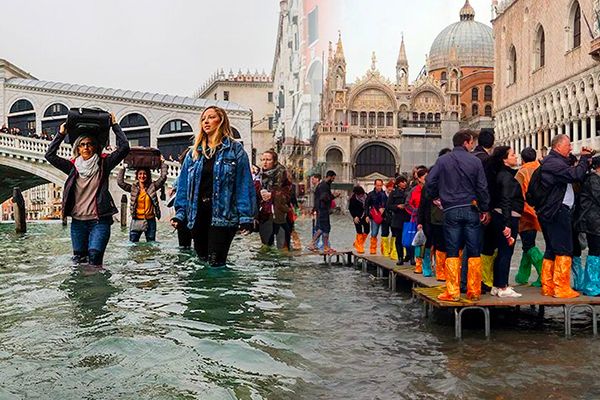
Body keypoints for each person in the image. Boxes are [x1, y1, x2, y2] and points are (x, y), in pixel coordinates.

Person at [171, 106, 256, 267]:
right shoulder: (193, 153)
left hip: (223, 216)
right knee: (202, 261)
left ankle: (221, 291)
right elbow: (183, 186)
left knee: (216, 263)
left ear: (221, 120)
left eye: (211, 117)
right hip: (197, 216)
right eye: (203, 119)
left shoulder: (235, 150)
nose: (206, 122)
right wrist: (180, 214)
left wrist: (246, 217)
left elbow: (243, 184)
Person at [45, 114, 130, 266]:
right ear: (77, 148)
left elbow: (124, 148)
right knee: (79, 262)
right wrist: (61, 134)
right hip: (78, 223)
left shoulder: (104, 164)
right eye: (82, 144)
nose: (86, 147)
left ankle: (97, 288)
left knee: (95, 258)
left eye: (90, 144)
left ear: (95, 147)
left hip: (99, 221)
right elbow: (49, 155)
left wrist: (115, 126)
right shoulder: (72, 167)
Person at [427, 129, 490, 301]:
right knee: (474, 249)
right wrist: (484, 209)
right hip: (471, 209)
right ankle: (473, 290)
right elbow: (482, 188)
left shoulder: (442, 161)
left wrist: (435, 198)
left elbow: (430, 182)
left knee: (453, 250)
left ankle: (453, 291)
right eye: (471, 142)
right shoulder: (475, 161)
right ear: (466, 142)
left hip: (450, 210)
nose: (473, 145)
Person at [536, 135, 592, 298]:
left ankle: (548, 285)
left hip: (554, 210)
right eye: (568, 145)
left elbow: (573, 170)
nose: (570, 148)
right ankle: (561, 287)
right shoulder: (553, 162)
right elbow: (575, 175)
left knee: (552, 249)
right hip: (557, 210)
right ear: (558, 146)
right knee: (564, 249)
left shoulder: (553, 161)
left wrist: (583, 161)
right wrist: (583, 159)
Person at [485, 146, 524, 298]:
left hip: (498, 215)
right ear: (504, 159)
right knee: (506, 252)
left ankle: (497, 284)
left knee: (500, 251)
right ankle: (502, 286)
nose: (516, 157)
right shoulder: (506, 176)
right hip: (507, 216)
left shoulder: (498, 174)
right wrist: (507, 223)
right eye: (513, 154)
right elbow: (506, 200)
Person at [117, 160, 168, 242]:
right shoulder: (133, 188)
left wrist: (163, 163)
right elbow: (120, 182)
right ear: (137, 176)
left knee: (151, 245)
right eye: (140, 174)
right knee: (133, 245)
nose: (142, 176)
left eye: (144, 174)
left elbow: (163, 178)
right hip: (136, 220)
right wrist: (123, 167)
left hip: (150, 221)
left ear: (148, 176)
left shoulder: (152, 187)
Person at [514, 147, 543, 287]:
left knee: (529, 244)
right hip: (541, 210)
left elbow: (518, 194)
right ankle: (522, 275)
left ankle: (543, 272)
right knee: (528, 243)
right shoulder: (542, 168)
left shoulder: (521, 172)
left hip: (526, 212)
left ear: (523, 159)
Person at [257, 150, 292, 250]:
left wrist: (271, 195)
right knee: (266, 246)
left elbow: (288, 194)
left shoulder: (283, 174)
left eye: (268, 160)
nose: (265, 162)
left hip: (280, 215)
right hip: (265, 215)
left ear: (274, 161)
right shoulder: (260, 176)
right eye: (263, 159)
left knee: (283, 248)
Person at [577, 156, 600, 295]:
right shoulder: (593, 180)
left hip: (595, 221)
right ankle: (592, 286)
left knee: (596, 252)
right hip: (594, 222)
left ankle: (593, 284)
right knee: (595, 252)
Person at [308, 170, 337, 254]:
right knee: (325, 228)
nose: (333, 180)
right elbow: (323, 198)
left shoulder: (322, 185)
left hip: (320, 209)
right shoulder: (324, 186)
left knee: (322, 228)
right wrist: (333, 196)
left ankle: (321, 246)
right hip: (323, 209)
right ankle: (319, 245)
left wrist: (314, 209)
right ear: (330, 177)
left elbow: (318, 199)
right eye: (333, 178)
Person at [408, 168, 428, 274]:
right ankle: (418, 265)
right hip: (417, 218)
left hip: (429, 218)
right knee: (419, 242)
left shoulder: (431, 189)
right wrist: (415, 210)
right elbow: (408, 203)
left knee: (429, 243)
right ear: (419, 179)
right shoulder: (414, 190)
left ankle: (427, 265)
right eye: (425, 177)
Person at [386, 176, 409, 265]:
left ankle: (409, 257)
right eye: (402, 182)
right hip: (397, 218)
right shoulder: (393, 193)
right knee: (398, 239)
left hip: (407, 217)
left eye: (405, 182)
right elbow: (388, 206)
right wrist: (397, 206)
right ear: (398, 183)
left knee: (408, 238)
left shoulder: (408, 192)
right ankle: (400, 257)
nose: (404, 183)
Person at [365, 179, 388, 255]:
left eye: (380, 185)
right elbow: (367, 205)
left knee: (384, 233)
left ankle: (383, 249)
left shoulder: (385, 194)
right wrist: (367, 215)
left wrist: (384, 208)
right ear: (374, 185)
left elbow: (387, 204)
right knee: (374, 232)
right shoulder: (370, 194)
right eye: (377, 185)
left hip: (383, 216)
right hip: (374, 216)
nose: (379, 187)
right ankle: (373, 248)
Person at [349, 185, 369, 254]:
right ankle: (360, 246)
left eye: (361, 194)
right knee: (359, 231)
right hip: (357, 217)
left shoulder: (367, 196)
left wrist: (368, 215)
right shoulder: (353, 199)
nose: (361, 195)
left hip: (365, 216)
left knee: (367, 230)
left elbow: (369, 206)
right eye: (359, 194)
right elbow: (351, 208)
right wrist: (354, 216)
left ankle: (357, 243)